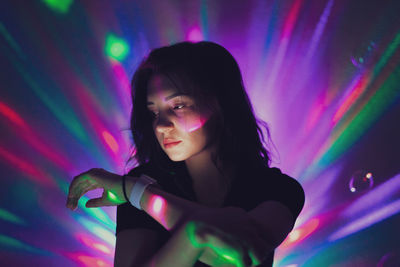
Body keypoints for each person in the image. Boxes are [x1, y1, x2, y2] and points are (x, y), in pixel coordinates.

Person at [66, 41, 305, 267]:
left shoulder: (279, 189)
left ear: (221, 103)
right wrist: (194, 234)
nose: (160, 126)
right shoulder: (137, 182)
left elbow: (240, 256)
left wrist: (141, 195)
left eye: (178, 106)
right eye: (153, 112)